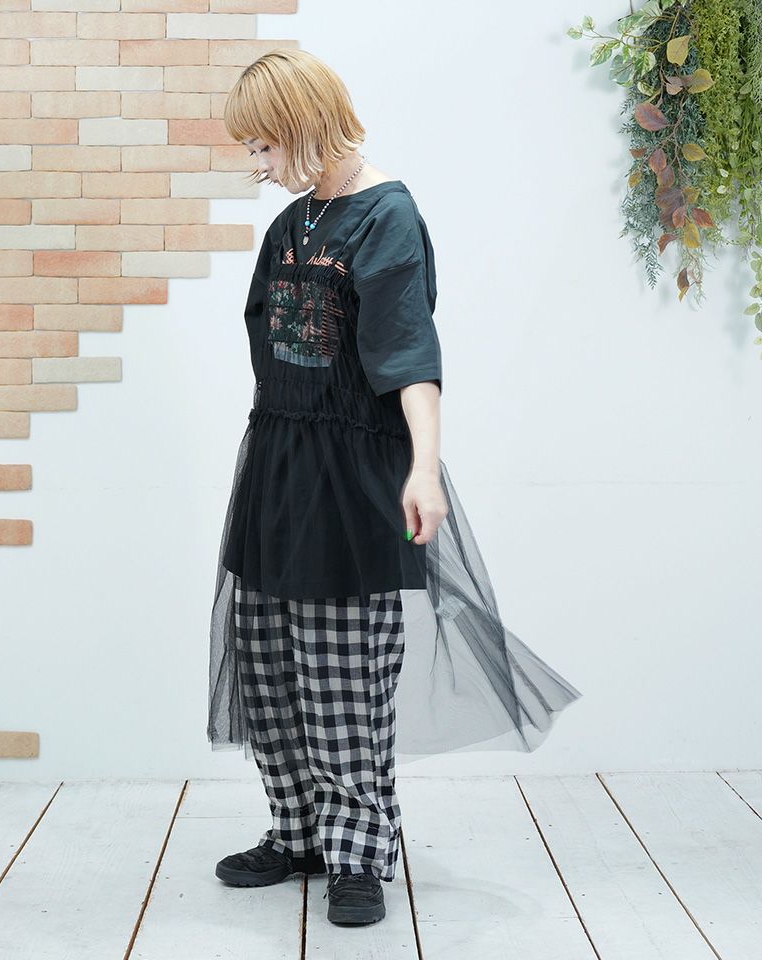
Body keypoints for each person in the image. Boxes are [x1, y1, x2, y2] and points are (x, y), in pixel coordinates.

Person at [207, 49, 583, 928]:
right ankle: (298, 830)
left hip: (352, 475)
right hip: (277, 463)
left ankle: (357, 853)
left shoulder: (387, 216)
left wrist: (423, 465)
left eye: (264, 146)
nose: (257, 165)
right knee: (269, 666)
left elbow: (409, 351)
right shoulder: (292, 223)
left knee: (343, 672)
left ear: (302, 125)